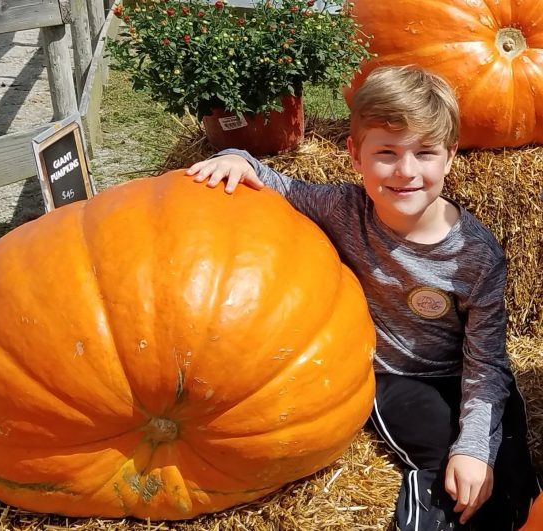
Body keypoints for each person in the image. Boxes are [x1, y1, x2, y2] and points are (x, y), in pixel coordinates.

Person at [185, 65, 541, 530]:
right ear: (355, 154)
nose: (406, 171)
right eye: (386, 153)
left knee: (504, 464)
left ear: (451, 156)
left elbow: (486, 361)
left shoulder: (476, 256)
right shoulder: (343, 208)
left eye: (425, 153)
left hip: (464, 369)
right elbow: (278, 182)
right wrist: (236, 155)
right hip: (394, 377)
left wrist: (477, 449)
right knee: (442, 459)